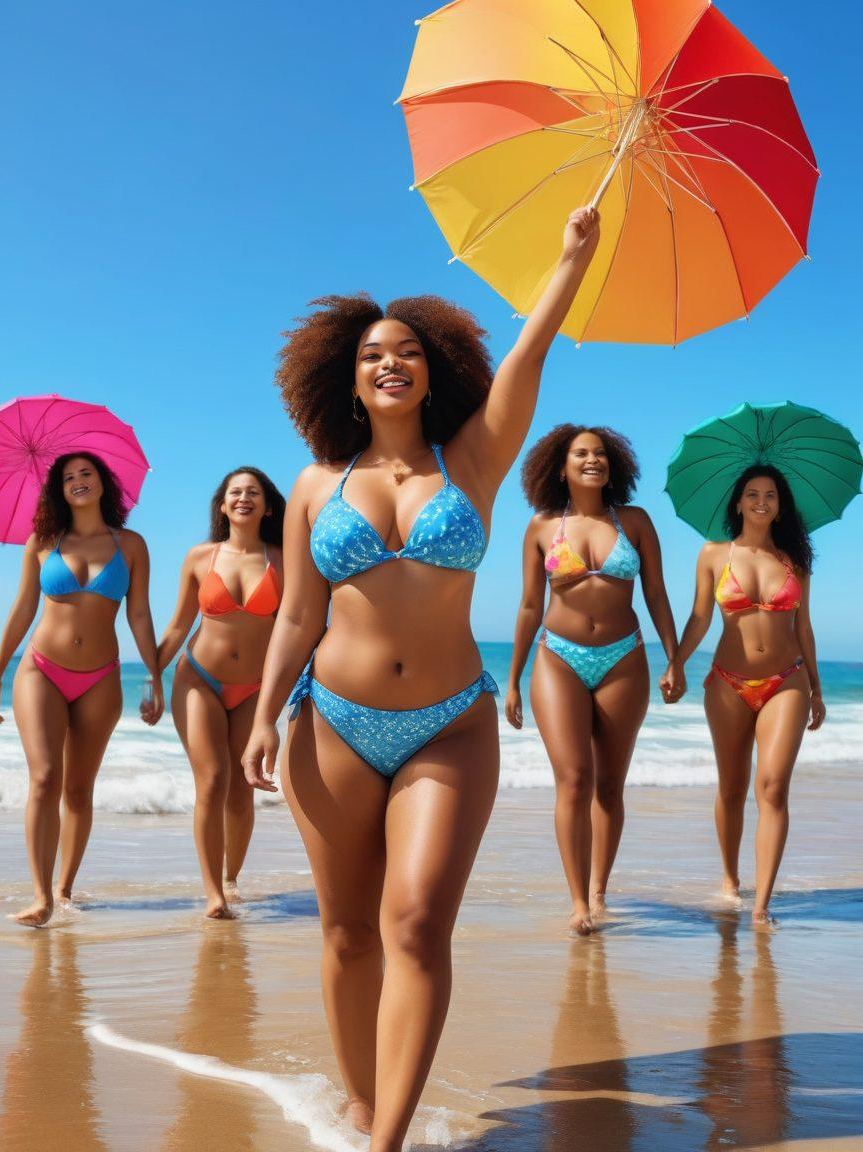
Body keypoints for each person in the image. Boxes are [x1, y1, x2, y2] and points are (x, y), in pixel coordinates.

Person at [241, 207, 600, 1151]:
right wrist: (266, 716)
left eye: (406, 351)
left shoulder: (473, 460)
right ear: (346, 379)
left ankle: (388, 1139)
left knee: (415, 923)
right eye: (370, 355)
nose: (389, 362)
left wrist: (567, 262)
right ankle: (362, 1106)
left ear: (434, 367)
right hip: (333, 722)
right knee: (348, 934)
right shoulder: (316, 483)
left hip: (449, 723)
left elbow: (528, 356)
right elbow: (296, 616)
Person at [506, 425, 681, 934]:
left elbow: (656, 595)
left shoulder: (635, 522)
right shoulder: (541, 527)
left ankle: (601, 889)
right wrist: (513, 679)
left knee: (609, 784)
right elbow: (528, 605)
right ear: (559, 467)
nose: (592, 460)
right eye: (580, 454)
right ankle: (578, 901)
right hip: (557, 657)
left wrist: (673, 658)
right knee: (574, 778)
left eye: (600, 454)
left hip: (624, 658)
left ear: (614, 465)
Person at [0, 453, 162, 926]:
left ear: (103, 483)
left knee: (79, 791)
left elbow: (139, 614)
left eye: (86, 474)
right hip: (41, 669)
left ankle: (64, 890)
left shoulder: (132, 545)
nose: (78, 482)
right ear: (59, 491)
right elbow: (23, 608)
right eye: (68, 478)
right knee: (45, 778)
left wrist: (154, 675)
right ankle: (40, 896)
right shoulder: (43, 541)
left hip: (101, 676)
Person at [666, 465, 825, 925]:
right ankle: (731, 879)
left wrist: (816, 687)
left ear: (780, 506)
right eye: (752, 494)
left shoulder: (795, 560)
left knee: (773, 787)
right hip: (728, 682)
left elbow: (804, 627)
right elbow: (699, 617)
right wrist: (675, 661)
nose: (761, 501)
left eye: (770, 495)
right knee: (732, 788)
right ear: (737, 503)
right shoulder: (714, 554)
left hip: (786, 680)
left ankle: (761, 906)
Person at [156, 467, 284, 918]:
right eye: (235, 492)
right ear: (223, 505)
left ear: (268, 506)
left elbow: (299, 629)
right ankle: (213, 893)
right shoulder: (200, 557)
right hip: (199, 679)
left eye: (253, 492)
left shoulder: (283, 560)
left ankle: (231, 880)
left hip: (254, 688)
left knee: (241, 790)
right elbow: (177, 626)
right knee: (212, 779)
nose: (243, 498)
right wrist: (153, 675)